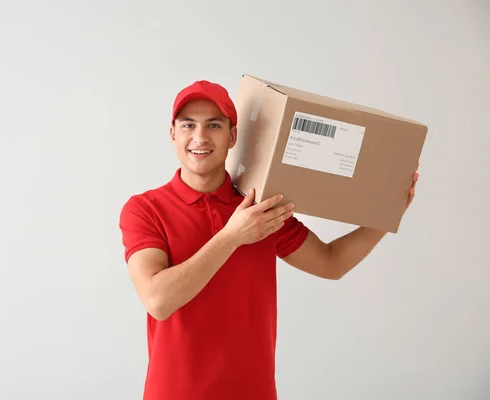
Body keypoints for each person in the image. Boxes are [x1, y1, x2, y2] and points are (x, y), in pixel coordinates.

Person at [118, 80, 419, 400]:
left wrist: (388, 214)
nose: (200, 137)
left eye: (214, 125)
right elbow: (158, 301)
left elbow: (332, 263)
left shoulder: (261, 208)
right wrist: (232, 237)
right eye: (188, 125)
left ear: (232, 136)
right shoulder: (145, 209)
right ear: (173, 134)